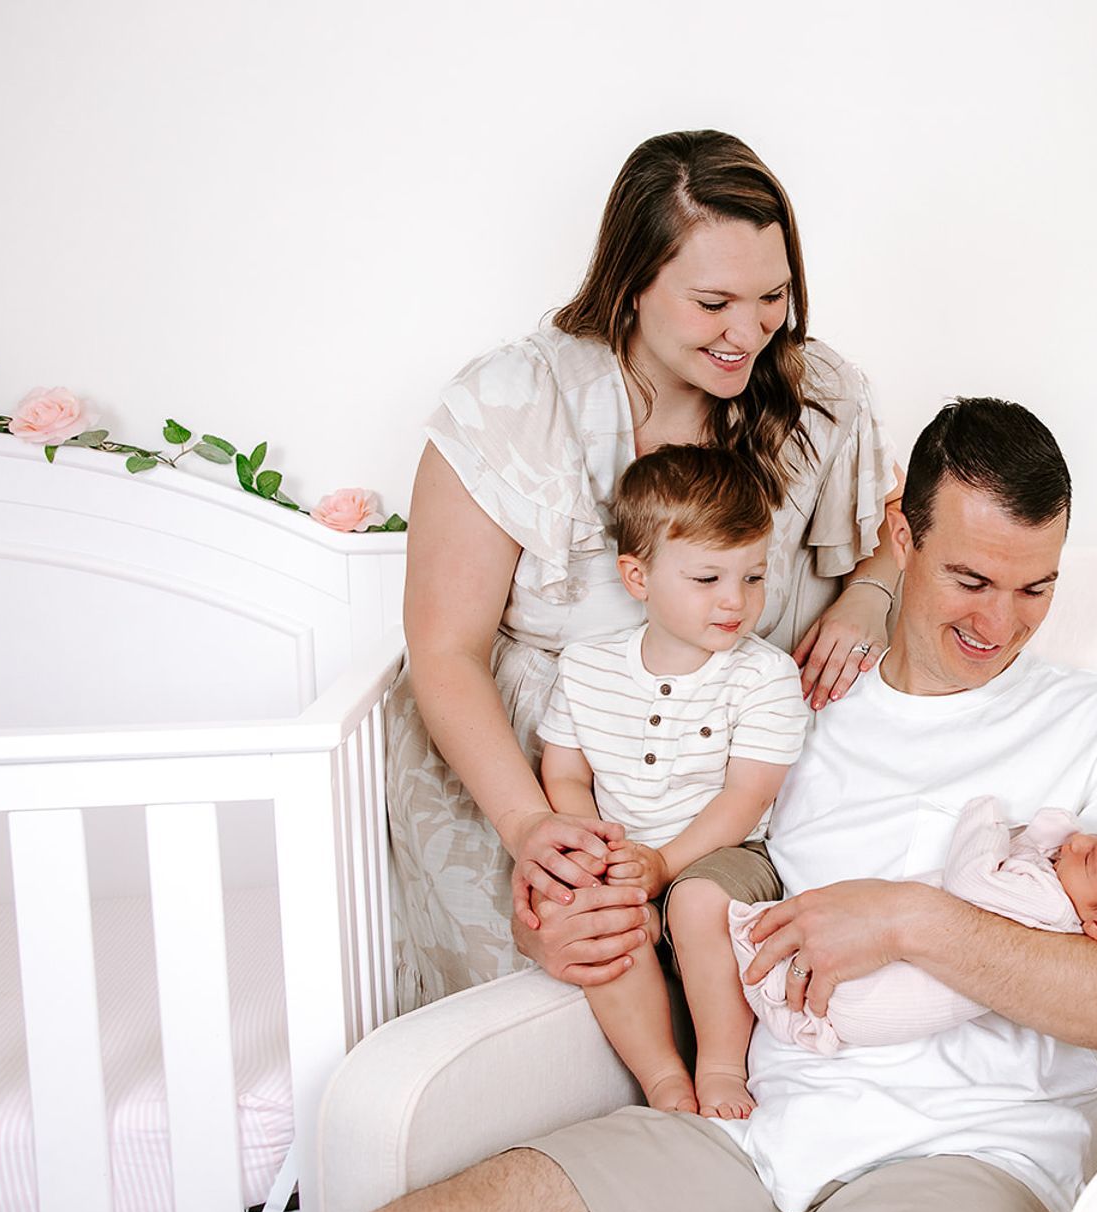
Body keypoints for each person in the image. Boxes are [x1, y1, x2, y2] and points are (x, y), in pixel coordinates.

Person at [325, 399, 1097, 1212]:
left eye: (1037, 590)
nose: (1001, 624)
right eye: (972, 581)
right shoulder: (779, 706)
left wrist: (910, 921)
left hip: (965, 1162)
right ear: (902, 538)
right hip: (746, 1133)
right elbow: (665, 877)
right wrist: (561, 922)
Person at [386, 130, 903, 1012]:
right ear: (631, 286)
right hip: (544, 781)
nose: (750, 332)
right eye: (713, 303)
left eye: (774, 295)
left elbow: (889, 538)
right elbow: (443, 650)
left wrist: (868, 594)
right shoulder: (515, 404)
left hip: (732, 790)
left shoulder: (818, 396)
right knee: (575, 993)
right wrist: (532, 826)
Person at [539, 446, 808, 1119]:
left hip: (725, 857)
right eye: (709, 578)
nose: (736, 601)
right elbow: (566, 771)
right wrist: (595, 846)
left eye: (753, 577)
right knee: (595, 914)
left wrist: (666, 862)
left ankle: (719, 1068)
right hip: (628, 854)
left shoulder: (763, 676)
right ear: (638, 577)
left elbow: (747, 796)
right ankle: (663, 1078)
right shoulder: (587, 667)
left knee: (695, 905)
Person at [730, 795, 1097, 1054]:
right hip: (860, 1004)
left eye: (1090, 856)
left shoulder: (1049, 904)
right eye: (1094, 835)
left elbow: (971, 879)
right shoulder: (1070, 905)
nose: (1076, 843)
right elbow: (1050, 835)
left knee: (733, 942)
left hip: (860, 998)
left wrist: (983, 818)